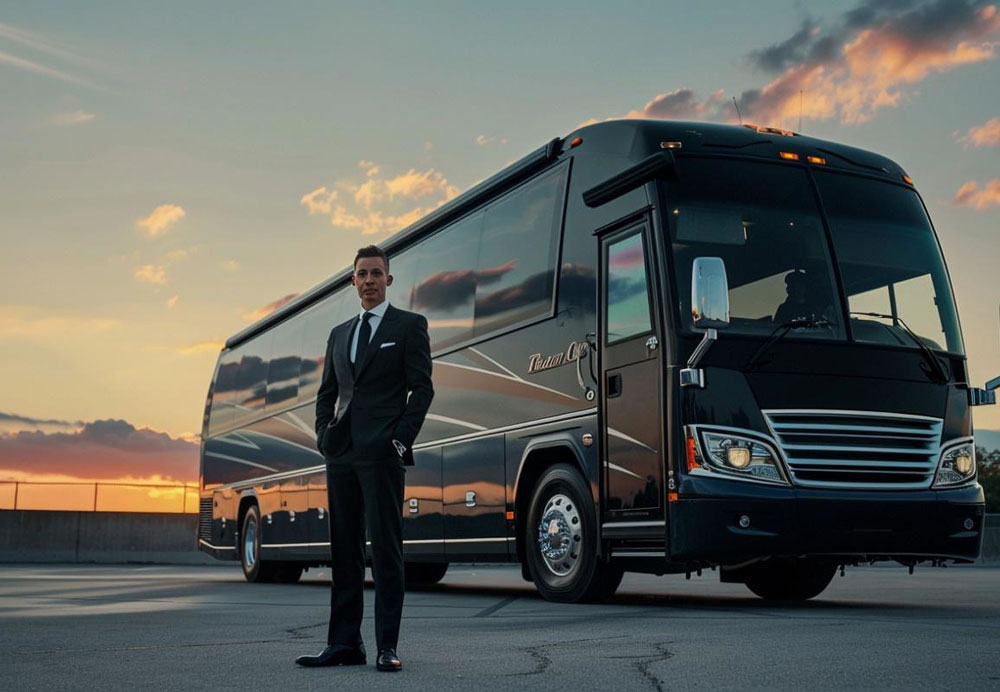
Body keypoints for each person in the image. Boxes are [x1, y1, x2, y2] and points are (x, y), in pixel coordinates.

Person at [296, 244, 433, 672]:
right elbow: (326, 394)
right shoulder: (339, 334)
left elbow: (422, 389)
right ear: (352, 281)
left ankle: (386, 647)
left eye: (377, 273)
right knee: (345, 552)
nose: (369, 280)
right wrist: (324, 436)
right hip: (341, 456)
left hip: (382, 456)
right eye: (362, 274)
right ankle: (343, 644)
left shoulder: (409, 326)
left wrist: (399, 441)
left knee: (387, 552)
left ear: (388, 280)